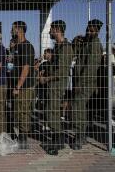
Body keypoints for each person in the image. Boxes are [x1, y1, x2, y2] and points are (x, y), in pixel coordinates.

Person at [42, 20, 74, 155]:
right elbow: (53, 65)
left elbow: (61, 71)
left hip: (56, 84)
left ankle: (58, 141)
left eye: (51, 29)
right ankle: (56, 139)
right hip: (52, 83)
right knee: (51, 112)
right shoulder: (58, 46)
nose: (49, 32)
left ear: (57, 30)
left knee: (52, 112)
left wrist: (46, 78)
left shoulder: (66, 47)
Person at [71, 19, 103, 150]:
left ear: (97, 31)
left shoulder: (95, 45)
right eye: (87, 30)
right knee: (80, 108)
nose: (88, 32)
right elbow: (74, 54)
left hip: (86, 83)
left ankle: (80, 136)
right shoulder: (86, 42)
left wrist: (80, 83)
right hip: (81, 81)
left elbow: (91, 67)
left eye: (91, 30)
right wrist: (75, 42)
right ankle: (81, 135)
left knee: (78, 108)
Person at [10, 21, 35, 149]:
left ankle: (24, 140)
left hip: (24, 86)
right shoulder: (17, 46)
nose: (11, 30)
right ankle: (19, 136)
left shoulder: (27, 46)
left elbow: (26, 68)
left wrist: (18, 86)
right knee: (17, 112)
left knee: (24, 112)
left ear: (19, 29)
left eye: (13, 28)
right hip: (17, 85)